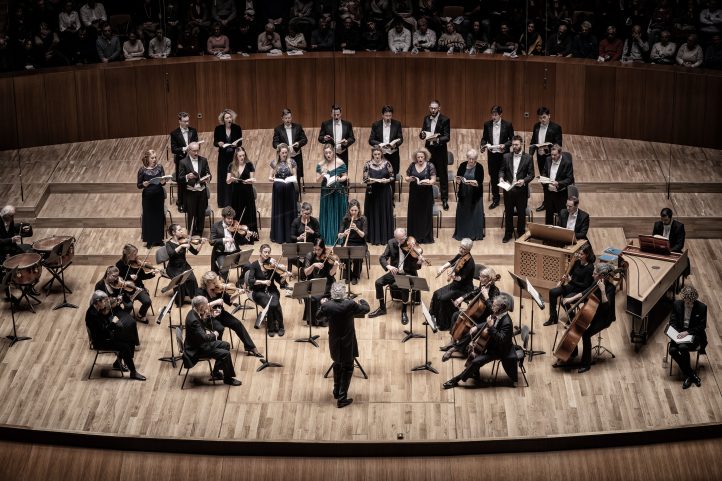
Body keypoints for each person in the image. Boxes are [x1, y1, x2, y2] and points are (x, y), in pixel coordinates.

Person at [553, 263, 618, 373]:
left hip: (604, 318)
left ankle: (586, 364)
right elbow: (585, 292)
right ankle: (571, 353)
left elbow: (607, 307)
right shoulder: (596, 282)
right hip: (594, 312)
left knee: (586, 334)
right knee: (575, 327)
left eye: (595, 273)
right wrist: (571, 299)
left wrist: (602, 291)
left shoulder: (610, 288)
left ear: (601, 276)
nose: (592, 275)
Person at [442, 292, 514, 389]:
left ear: (502, 307)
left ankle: (456, 379)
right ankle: (474, 373)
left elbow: (501, 340)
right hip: (492, 342)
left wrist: (491, 327)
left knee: (476, 361)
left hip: (499, 350)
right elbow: (487, 323)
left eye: (494, 306)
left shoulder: (507, 323)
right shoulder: (498, 313)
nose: (492, 307)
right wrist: (477, 327)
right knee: (472, 349)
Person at [317, 282, 370, 407]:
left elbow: (318, 317)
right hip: (348, 341)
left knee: (337, 364)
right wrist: (362, 301)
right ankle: (342, 398)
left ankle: (336, 391)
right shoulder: (350, 304)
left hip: (334, 341)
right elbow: (366, 309)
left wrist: (322, 305)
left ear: (332, 294)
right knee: (348, 368)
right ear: (344, 293)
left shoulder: (327, 306)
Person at [441, 266, 500, 361]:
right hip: (475, 313)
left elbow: (493, 311)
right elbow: (474, 292)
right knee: (455, 315)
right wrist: (462, 298)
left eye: (483, 277)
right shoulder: (483, 285)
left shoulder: (495, 291)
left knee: (470, 331)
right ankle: (453, 340)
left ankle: (454, 348)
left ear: (489, 278)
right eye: (480, 276)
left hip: (484, 318)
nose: (480, 278)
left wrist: (486, 297)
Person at [197, 271, 262, 357]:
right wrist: (215, 302)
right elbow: (200, 307)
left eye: (216, 281)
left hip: (221, 313)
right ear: (207, 283)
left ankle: (251, 347)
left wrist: (238, 293)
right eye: (214, 282)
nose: (216, 283)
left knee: (237, 324)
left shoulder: (219, 289)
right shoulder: (200, 292)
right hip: (208, 317)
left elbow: (229, 300)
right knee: (219, 328)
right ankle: (217, 349)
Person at [368, 228, 425, 324]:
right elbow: (382, 258)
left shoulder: (411, 244)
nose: (401, 242)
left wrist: (419, 261)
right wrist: (388, 266)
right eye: (398, 239)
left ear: (406, 236)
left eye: (403, 239)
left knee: (404, 285)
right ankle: (382, 308)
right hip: (395, 272)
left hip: (408, 272)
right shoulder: (391, 243)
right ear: (395, 238)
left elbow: (416, 267)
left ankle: (403, 311)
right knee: (378, 282)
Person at [86, 291, 146, 381]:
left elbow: (103, 324)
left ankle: (120, 363)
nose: (106, 303)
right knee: (125, 346)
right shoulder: (92, 315)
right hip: (101, 342)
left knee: (129, 336)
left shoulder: (95, 309)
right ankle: (133, 372)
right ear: (98, 302)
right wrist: (113, 323)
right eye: (104, 301)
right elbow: (104, 333)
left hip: (105, 336)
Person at [183, 296, 242, 386]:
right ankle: (228, 379)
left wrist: (209, 315)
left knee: (226, 345)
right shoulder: (194, 320)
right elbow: (204, 338)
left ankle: (216, 372)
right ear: (201, 307)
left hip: (198, 344)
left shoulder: (193, 312)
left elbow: (200, 324)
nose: (207, 306)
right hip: (197, 349)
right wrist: (214, 334)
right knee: (225, 353)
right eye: (206, 305)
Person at [543, 243, 595, 326]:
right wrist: (561, 280)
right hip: (571, 286)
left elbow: (585, 285)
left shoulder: (590, 268)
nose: (579, 255)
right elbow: (568, 273)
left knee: (564, 301)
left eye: (581, 254)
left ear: (587, 255)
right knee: (552, 292)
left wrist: (571, 281)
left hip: (579, 291)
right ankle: (553, 317)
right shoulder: (577, 262)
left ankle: (572, 317)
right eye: (579, 253)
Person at [431, 238, 476, 331]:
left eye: (464, 249)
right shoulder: (460, 255)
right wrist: (442, 268)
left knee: (443, 299)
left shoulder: (470, 263)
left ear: (469, 250)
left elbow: (461, 278)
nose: (461, 250)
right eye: (460, 247)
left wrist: (453, 277)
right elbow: (451, 262)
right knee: (436, 293)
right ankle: (433, 317)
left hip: (464, 289)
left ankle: (444, 324)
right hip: (456, 285)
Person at [669, 286, 707, 389]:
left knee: (682, 347)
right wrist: (677, 333)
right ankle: (691, 374)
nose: (688, 304)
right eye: (686, 302)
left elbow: (702, 326)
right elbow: (672, 321)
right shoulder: (677, 304)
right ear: (683, 299)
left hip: (693, 336)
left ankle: (687, 376)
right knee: (672, 350)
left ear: (694, 300)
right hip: (679, 334)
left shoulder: (702, 307)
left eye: (690, 303)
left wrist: (688, 332)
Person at [93, 267, 141, 347]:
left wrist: (122, 297)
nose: (116, 278)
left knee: (132, 322)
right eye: (114, 276)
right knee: (119, 325)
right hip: (106, 312)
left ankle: (135, 344)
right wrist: (115, 299)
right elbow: (100, 304)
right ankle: (120, 345)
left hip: (116, 309)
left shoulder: (117, 283)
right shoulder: (99, 285)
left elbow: (123, 295)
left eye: (117, 276)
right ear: (108, 273)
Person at [499, 135, 534, 243]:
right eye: (513, 144)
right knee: (508, 212)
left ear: (521, 144)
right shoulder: (506, 156)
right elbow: (502, 170)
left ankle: (521, 233)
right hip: (508, 189)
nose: (514, 146)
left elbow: (531, 174)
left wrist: (524, 181)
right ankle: (508, 233)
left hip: (521, 190)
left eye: (516, 145)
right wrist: (500, 177)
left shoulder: (528, 157)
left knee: (521, 213)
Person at [248, 244, 288, 336]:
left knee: (276, 304)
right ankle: (271, 327)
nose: (267, 254)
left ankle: (281, 326)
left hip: (272, 289)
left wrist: (284, 277)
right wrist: (263, 282)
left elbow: (279, 280)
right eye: (265, 252)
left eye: (269, 252)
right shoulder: (254, 265)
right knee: (269, 304)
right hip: (258, 292)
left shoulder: (271, 264)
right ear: (260, 252)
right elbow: (250, 281)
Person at [479, 105, 513, 210]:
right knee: (493, 177)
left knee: (506, 176)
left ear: (500, 114)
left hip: (504, 155)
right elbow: (484, 138)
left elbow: (512, 139)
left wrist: (505, 145)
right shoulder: (487, 124)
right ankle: (496, 199)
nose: (493, 117)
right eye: (492, 115)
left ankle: (508, 198)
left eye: (496, 115)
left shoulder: (508, 124)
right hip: (492, 155)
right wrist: (483, 146)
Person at [529, 107, 563, 212]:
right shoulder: (536, 126)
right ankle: (546, 202)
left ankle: (554, 202)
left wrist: (547, 148)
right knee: (544, 180)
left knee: (552, 179)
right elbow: (533, 141)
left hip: (552, 158)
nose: (542, 120)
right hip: (540, 158)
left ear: (549, 116)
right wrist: (530, 155)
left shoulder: (556, 127)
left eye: (544, 117)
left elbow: (558, 145)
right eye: (540, 118)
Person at [209, 206, 254, 280]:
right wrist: (224, 240)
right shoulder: (216, 226)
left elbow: (240, 242)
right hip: (222, 254)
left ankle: (241, 281)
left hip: (235, 253)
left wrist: (247, 237)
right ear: (223, 217)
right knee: (224, 270)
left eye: (232, 218)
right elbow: (212, 241)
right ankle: (225, 286)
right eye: (228, 218)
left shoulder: (235, 226)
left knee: (249, 266)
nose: (231, 220)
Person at [115, 244, 156, 324]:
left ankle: (140, 315)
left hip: (137, 288)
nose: (136, 256)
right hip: (125, 290)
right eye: (134, 254)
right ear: (128, 254)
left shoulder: (137, 263)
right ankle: (123, 319)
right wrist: (129, 277)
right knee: (128, 306)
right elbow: (118, 280)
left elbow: (143, 276)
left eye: (136, 253)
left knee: (147, 301)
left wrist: (152, 274)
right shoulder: (119, 264)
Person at [420, 100, 450, 210]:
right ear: (429, 107)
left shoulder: (445, 119)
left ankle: (444, 199)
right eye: (431, 108)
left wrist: (436, 139)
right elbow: (422, 134)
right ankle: (428, 199)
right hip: (429, 151)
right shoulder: (426, 119)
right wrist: (422, 134)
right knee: (428, 174)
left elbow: (447, 137)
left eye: (435, 108)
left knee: (443, 176)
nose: (433, 110)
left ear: (439, 108)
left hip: (440, 151)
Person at [317, 143, 349, 245]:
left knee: (338, 212)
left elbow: (345, 176)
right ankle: (327, 237)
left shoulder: (339, 162)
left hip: (338, 191)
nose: (328, 154)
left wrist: (339, 178)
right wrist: (322, 175)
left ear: (333, 152)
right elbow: (317, 180)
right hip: (326, 191)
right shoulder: (321, 164)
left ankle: (339, 237)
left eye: (330, 152)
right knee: (328, 212)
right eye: (326, 153)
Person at [368, 105, 403, 197]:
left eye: (390, 116)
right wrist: (381, 144)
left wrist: (394, 144)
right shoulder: (376, 125)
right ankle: (380, 196)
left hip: (393, 154)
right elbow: (371, 140)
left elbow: (400, 139)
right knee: (379, 175)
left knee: (392, 176)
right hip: (380, 155)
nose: (388, 118)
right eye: (386, 116)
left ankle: (391, 198)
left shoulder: (397, 124)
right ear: (382, 115)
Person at [302, 238, 338, 326]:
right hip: (313, 281)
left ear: (323, 248)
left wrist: (335, 266)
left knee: (318, 297)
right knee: (311, 296)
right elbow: (306, 273)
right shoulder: (310, 255)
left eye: (319, 249)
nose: (317, 251)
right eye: (315, 249)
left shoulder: (328, 256)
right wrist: (313, 265)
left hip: (326, 281)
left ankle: (322, 320)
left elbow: (331, 274)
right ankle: (313, 320)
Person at [363, 147, 395, 246]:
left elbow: (392, 177)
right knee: (373, 212)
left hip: (384, 192)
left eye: (378, 154)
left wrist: (387, 180)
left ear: (381, 154)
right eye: (375, 154)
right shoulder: (368, 164)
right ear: (373, 155)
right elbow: (364, 179)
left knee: (383, 212)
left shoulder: (387, 163)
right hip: (372, 192)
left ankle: (385, 238)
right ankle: (373, 237)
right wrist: (370, 181)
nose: (377, 156)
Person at [178, 142, 211, 237]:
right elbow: (180, 179)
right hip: (190, 193)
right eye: (194, 151)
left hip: (201, 191)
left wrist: (208, 178)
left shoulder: (203, 160)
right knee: (191, 214)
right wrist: (187, 176)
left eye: (197, 150)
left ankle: (200, 233)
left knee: (201, 214)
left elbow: (208, 173)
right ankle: (191, 234)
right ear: (189, 151)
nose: (196, 153)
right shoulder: (183, 162)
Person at [453, 149, 485, 241]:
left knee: (474, 214)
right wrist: (458, 181)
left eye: (473, 159)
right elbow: (458, 177)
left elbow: (480, 181)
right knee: (463, 214)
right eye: (469, 158)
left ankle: (474, 234)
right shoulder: (463, 165)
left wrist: (473, 183)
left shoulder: (479, 167)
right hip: (464, 192)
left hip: (475, 194)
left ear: (476, 159)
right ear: (467, 158)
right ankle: (462, 233)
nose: (471, 161)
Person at [269, 143, 298, 244]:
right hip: (278, 191)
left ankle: (290, 236)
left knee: (289, 211)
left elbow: (295, 176)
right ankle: (279, 236)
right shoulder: (274, 163)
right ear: (278, 153)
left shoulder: (292, 162)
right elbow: (270, 177)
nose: (285, 155)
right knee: (279, 212)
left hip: (289, 190)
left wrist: (291, 179)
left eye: (286, 152)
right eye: (283, 153)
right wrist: (272, 178)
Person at [406, 149, 437, 243]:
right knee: (414, 214)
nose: (420, 159)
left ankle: (425, 237)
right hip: (414, 193)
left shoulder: (430, 165)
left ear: (425, 157)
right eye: (418, 157)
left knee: (425, 215)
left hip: (426, 194)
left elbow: (433, 180)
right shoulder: (412, 165)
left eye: (421, 157)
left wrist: (428, 182)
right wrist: (410, 179)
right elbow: (407, 177)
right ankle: (414, 237)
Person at [165, 223, 202, 303]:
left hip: (184, 265)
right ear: (173, 232)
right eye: (179, 230)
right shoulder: (169, 244)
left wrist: (201, 244)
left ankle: (192, 297)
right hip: (173, 268)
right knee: (179, 282)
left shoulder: (184, 240)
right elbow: (171, 254)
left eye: (181, 229)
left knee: (192, 279)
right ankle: (181, 299)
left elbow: (195, 252)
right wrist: (181, 246)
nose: (182, 231)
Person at [137, 149, 167, 248]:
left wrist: (163, 182)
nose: (154, 159)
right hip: (148, 197)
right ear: (147, 158)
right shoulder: (142, 170)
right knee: (148, 217)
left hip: (159, 195)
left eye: (155, 157)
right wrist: (144, 184)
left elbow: (163, 181)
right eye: (152, 158)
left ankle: (159, 239)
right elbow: (139, 185)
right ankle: (149, 240)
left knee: (159, 217)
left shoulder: (160, 167)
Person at [169, 112, 199, 212]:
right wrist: (183, 149)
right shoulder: (174, 133)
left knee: (193, 179)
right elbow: (173, 149)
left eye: (188, 121)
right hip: (181, 160)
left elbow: (197, 144)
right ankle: (181, 203)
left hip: (192, 159)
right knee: (181, 182)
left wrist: (193, 148)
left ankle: (193, 202)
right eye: (185, 121)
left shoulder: (193, 131)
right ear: (179, 121)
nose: (187, 123)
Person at [214, 109, 243, 208]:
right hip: (223, 156)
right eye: (227, 118)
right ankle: (224, 202)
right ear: (223, 119)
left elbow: (240, 142)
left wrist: (235, 144)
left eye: (230, 117)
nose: (229, 119)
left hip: (234, 155)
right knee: (224, 177)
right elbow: (215, 142)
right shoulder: (218, 129)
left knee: (234, 176)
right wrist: (219, 143)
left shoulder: (237, 128)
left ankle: (234, 200)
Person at [273, 108, 308, 183]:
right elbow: (274, 143)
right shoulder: (278, 129)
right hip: (284, 157)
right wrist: (281, 146)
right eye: (286, 118)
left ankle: (296, 194)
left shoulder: (298, 127)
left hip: (296, 156)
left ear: (291, 117)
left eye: (289, 118)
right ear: (282, 118)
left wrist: (298, 143)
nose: (288, 120)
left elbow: (304, 139)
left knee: (296, 177)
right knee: (285, 176)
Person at [542, 145, 574, 225]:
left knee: (562, 216)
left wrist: (558, 183)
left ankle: (560, 235)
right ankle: (548, 235)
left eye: (555, 155)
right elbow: (544, 172)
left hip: (560, 194)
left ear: (560, 154)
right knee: (548, 216)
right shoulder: (548, 159)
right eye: (551, 154)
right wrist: (544, 180)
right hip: (549, 193)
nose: (552, 157)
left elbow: (570, 179)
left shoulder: (567, 162)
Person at [226, 146, 257, 230]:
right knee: (237, 212)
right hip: (236, 193)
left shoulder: (249, 164)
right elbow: (227, 181)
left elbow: (252, 179)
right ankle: (237, 232)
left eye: (243, 155)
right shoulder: (231, 165)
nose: (242, 157)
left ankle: (249, 233)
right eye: (240, 156)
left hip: (247, 192)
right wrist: (231, 179)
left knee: (248, 212)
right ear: (236, 156)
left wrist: (249, 180)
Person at [337, 199, 367, 284]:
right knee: (344, 254)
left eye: (355, 210)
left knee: (357, 255)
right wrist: (344, 234)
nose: (353, 212)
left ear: (359, 210)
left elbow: (364, 235)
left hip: (360, 243)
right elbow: (339, 235)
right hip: (348, 242)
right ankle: (348, 274)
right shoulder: (345, 219)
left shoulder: (363, 219)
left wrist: (356, 229)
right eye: (352, 210)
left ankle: (355, 276)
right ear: (349, 210)